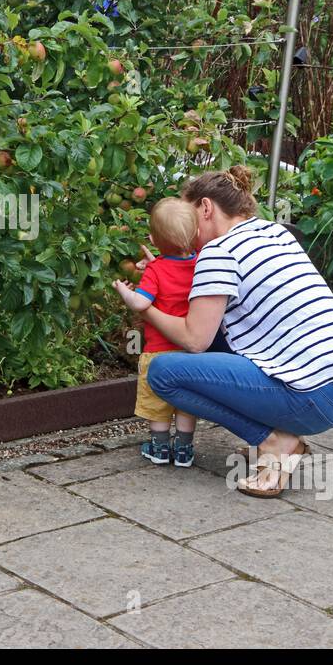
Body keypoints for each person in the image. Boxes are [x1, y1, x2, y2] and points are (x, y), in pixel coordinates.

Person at [112, 166, 333, 498]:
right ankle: (282, 435)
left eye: (189, 220)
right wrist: (168, 265)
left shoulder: (218, 253)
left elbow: (194, 339)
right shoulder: (275, 232)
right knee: (217, 336)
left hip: (309, 396)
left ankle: (274, 443)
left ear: (205, 208)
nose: (186, 232)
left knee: (163, 372)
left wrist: (144, 307)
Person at [129, 198, 200, 468]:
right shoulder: (201, 264)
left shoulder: (155, 270)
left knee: (157, 403)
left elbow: (141, 302)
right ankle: (183, 449)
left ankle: (159, 448)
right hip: (190, 351)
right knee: (186, 404)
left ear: (153, 240)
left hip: (158, 352)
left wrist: (124, 291)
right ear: (195, 234)